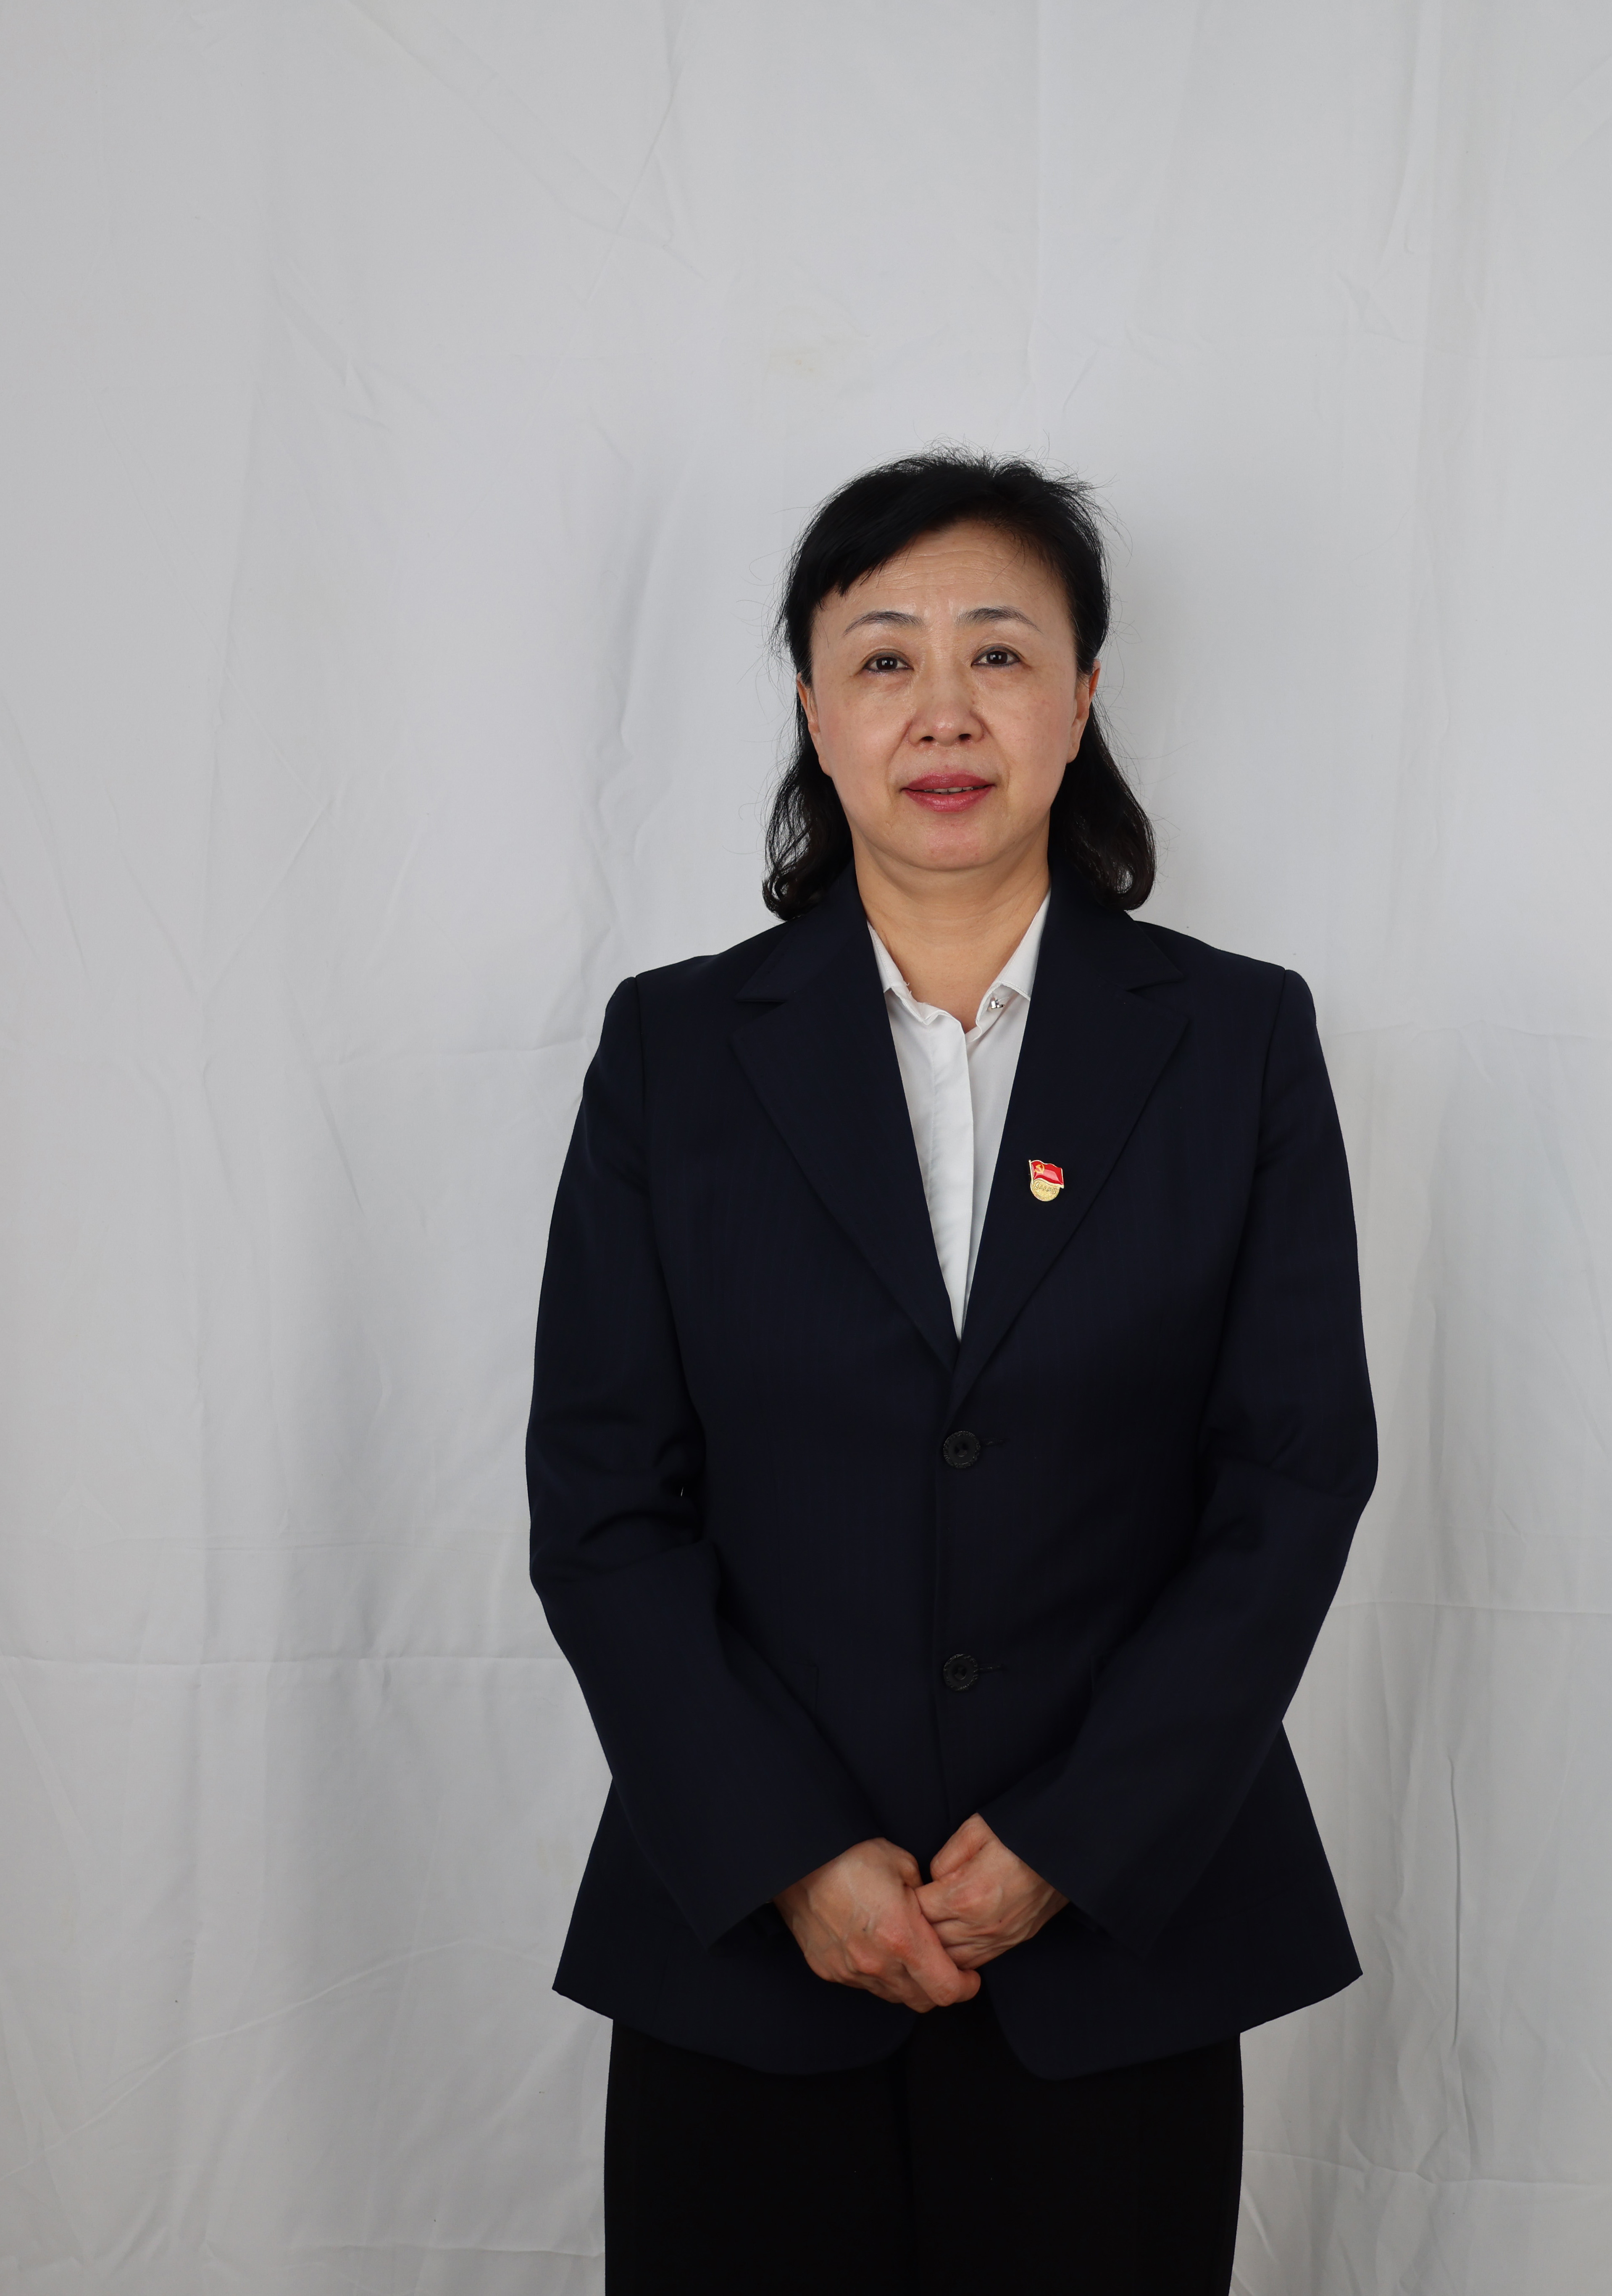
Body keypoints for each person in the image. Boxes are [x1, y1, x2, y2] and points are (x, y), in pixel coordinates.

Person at [526, 451, 1377, 2294]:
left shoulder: (1235, 1040)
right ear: (813, 712)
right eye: (882, 658)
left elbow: (1292, 1476)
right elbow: (601, 1499)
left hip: (1117, 1942)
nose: (943, 710)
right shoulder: (674, 1051)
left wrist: (1073, 1838)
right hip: (745, 1947)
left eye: (998, 653)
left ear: (1081, 700)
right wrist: (791, 1852)